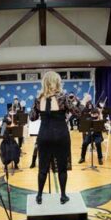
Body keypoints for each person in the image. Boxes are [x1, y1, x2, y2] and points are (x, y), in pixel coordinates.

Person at [29, 71, 75, 205]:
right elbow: (78, 112)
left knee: (42, 169)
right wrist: (78, 100)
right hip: (61, 135)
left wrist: (34, 106)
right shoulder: (63, 97)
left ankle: (39, 196)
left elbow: (32, 117)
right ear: (57, 82)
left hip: (44, 135)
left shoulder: (38, 99)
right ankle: (63, 196)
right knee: (62, 168)